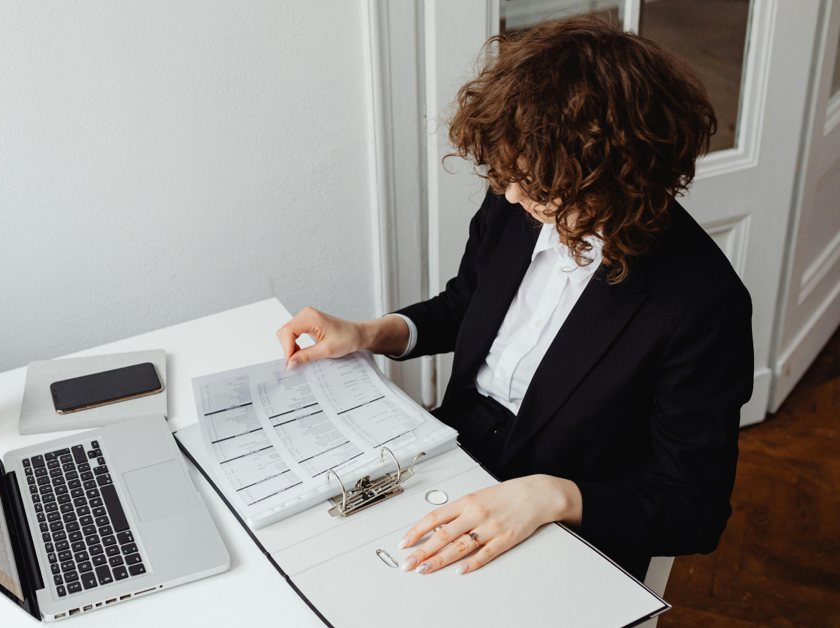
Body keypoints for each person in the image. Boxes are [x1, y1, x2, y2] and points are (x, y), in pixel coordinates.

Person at [276, 16, 753, 581]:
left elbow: (692, 509)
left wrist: (552, 498)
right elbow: (467, 305)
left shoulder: (703, 302)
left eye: (540, 186)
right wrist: (370, 333)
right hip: (454, 449)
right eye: (509, 174)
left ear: (619, 178)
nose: (510, 193)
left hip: (568, 514)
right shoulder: (524, 190)